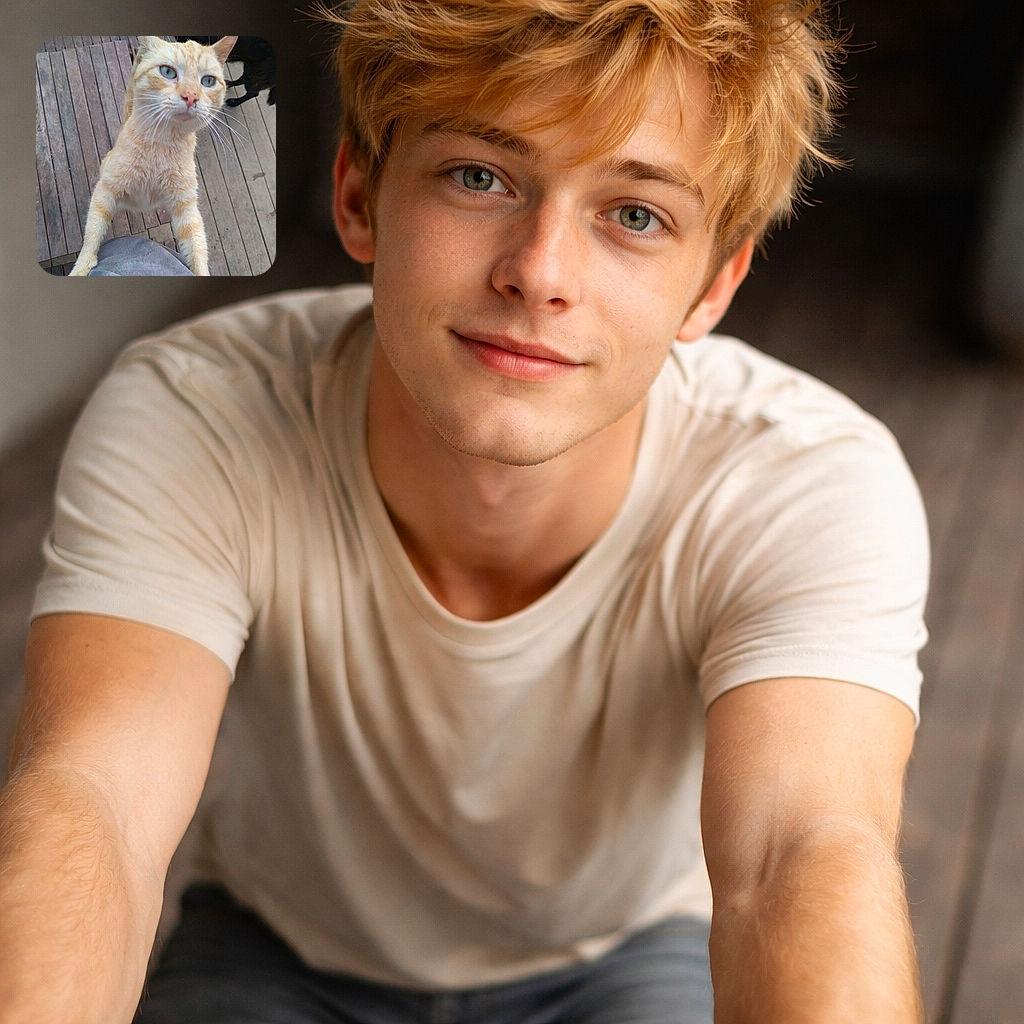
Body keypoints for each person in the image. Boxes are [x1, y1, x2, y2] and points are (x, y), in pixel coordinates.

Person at [0, 1, 930, 1021]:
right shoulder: (198, 410)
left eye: (635, 215)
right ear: (359, 196)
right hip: (280, 945)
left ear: (713, 285)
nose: (539, 273)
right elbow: (95, 805)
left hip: (621, 952)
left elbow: (797, 858)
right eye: (479, 177)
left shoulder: (801, 478)